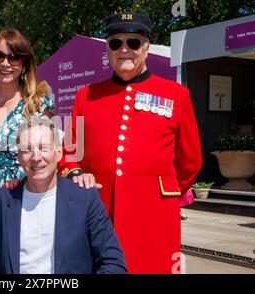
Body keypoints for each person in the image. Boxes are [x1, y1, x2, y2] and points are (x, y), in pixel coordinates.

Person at [58, 12, 202, 273]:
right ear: (107, 49)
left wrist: (161, 195)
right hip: (98, 215)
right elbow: (69, 152)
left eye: (133, 43)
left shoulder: (176, 95)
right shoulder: (85, 96)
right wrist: (77, 173)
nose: (124, 50)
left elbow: (190, 160)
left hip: (154, 218)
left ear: (146, 47)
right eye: (115, 43)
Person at [0, 118, 127, 274]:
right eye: (27, 149)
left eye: (43, 148)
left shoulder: (85, 199)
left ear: (58, 153)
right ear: (19, 157)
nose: (36, 157)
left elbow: (113, 263)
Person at [0, 28, 54, 245]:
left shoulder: (37, 105)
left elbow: (48, 156)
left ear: (24, 64)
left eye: (14, 57)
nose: (6, 64)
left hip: (23, 194)